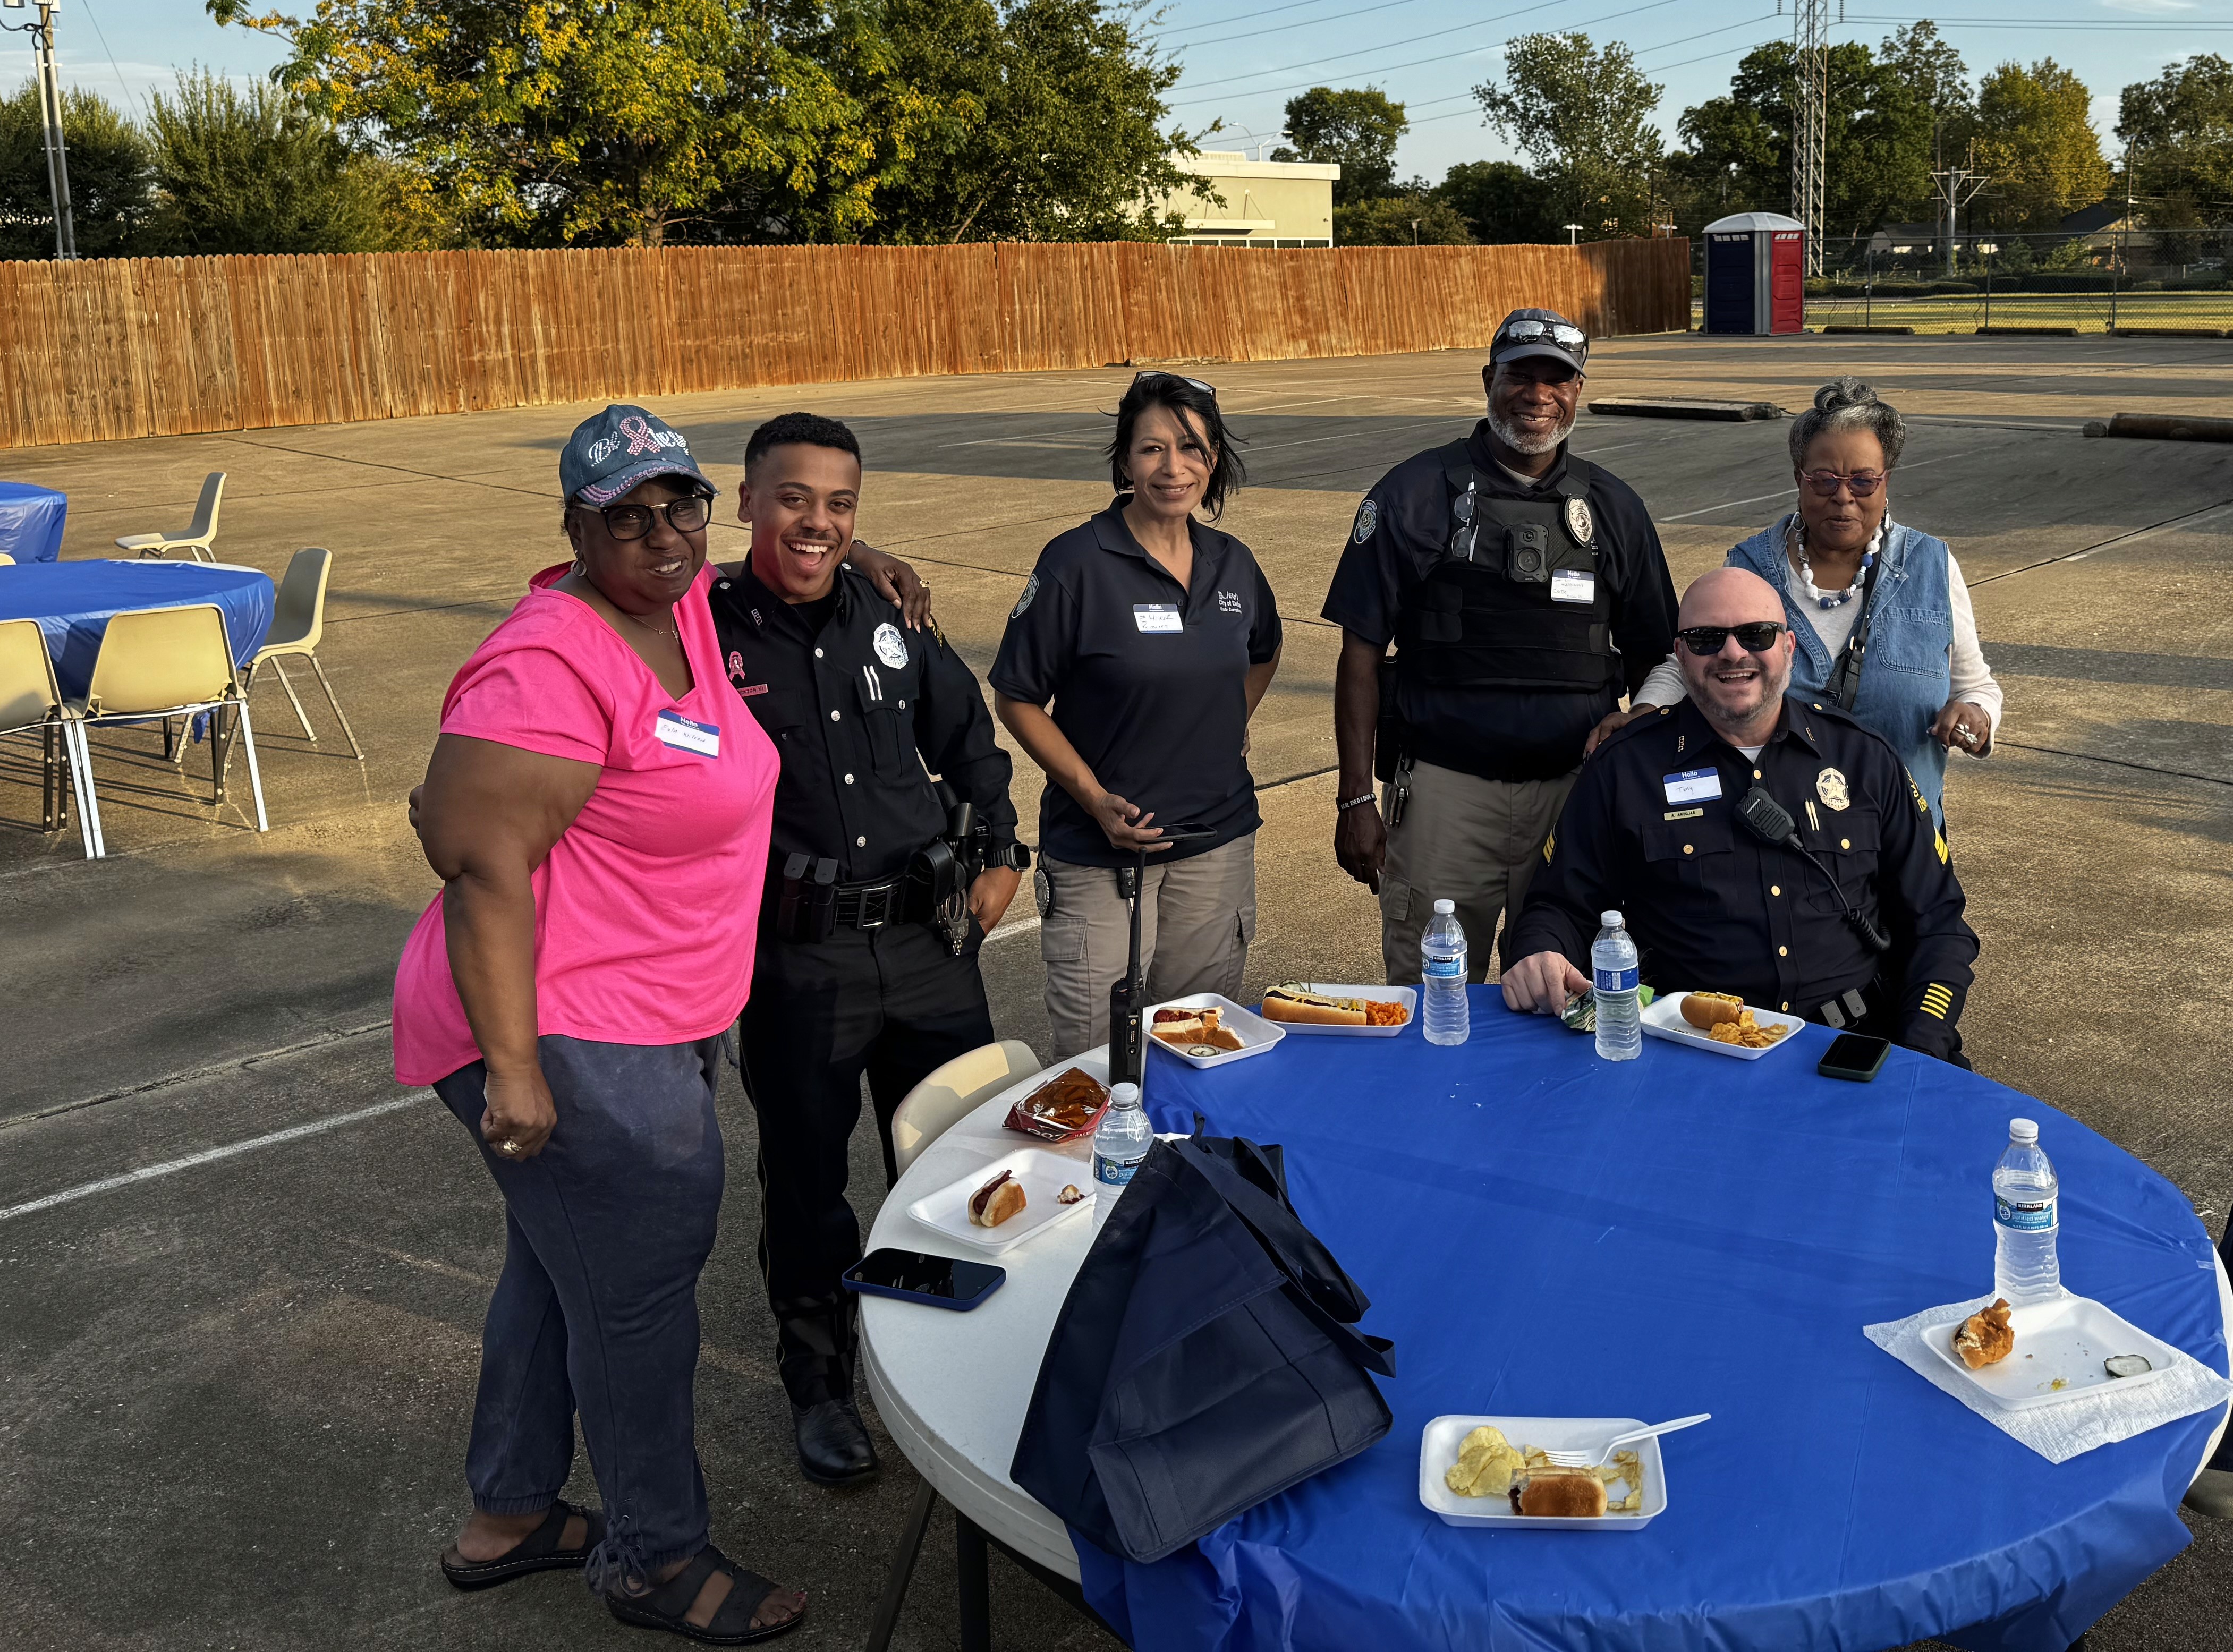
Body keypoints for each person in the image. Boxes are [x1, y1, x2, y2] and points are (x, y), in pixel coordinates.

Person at [396, 403, 806, 1641]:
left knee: (558, 1262)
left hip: (641, 1009)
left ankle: (511, 1509)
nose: (663, 535)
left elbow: (721, 573)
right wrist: (517, 1071)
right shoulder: (550, 662)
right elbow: (470, 855)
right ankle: (654, 1559)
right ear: (576, 527)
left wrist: (868, 559)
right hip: (564, 1030)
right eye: (627, 517)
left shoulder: (675, 608)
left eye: (681, 505)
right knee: (637, 1304)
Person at [713, 412, 1025, 1491]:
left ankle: (943, 1353)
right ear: (746, 501)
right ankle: (820, 1382)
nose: (819, 521)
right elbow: (592, 590)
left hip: (931, 940)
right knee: (807, 1182)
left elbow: (969, 739)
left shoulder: (892, 614)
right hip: (800, 961)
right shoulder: (700, 627)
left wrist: (1002, 848)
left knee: (956, 1159)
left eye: (840, 504)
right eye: (793, 498)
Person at [1322, 308, 1677, 985]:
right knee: (1432, 996)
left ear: (1578, 390)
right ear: (1489, 379)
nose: (1538, 395)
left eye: (1557, 379)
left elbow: (1660, 658)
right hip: (1446, 797)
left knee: (1565, 994)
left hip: (1575, 798)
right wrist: (1354, 800)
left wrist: (1639, 752)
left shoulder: (1614, 507)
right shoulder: (1413, 493)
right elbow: (1359, 656)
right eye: (1521, 376)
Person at [1502, 565, 1979, 1063]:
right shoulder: (1624, 769)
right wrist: (1541, 953)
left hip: (1854, 1047)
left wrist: (1921, 1048)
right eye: (1706, 639)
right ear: (1680, 655)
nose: (1732, 653)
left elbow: (1938, 922)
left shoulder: (1864, 760)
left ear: (1788, 648)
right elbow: (1560, 905)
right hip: (1692, 1052)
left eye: (1756, 634)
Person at [991, 373, 1282, 1060]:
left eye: (1191, 447)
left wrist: (1228, 719)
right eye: (1152, 448)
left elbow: (1264, 651)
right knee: (1100, 1061)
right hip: (1101, 858)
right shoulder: (1076, 564)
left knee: (1198, 1049)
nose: (1173, 467)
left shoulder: (1233, 565)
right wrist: (1094, 798)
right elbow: (1017, 696)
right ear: (1125, 461)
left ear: (1213, 460)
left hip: (1214, 845)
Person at [1618, 377, 1999, 821]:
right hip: (1778, 840)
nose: (1843, 496)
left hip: (1903, 838)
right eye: (1824, 481)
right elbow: (1696, 659)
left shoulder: (1933, 566)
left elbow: (1976, 686)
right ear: (1799, 478)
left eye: (1863, 481)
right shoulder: (1750, 568)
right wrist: (1641, 715)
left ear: (1886, 481)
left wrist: (1976, 714)